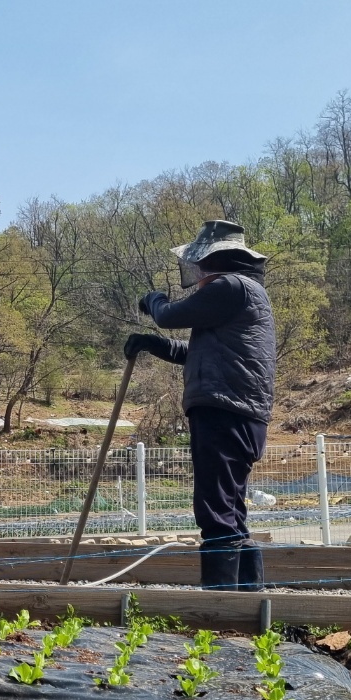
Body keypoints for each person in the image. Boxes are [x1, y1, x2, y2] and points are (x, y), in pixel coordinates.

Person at [123, 220, 276, 592]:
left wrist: (153, 300)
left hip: (224, 410)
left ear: (215, 260)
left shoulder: (231, 287)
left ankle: (220, 606)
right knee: (230, 508)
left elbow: (168, 316)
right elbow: (197, 352)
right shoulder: (243, 293)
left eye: (200, 262)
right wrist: (154, 344)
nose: (197, 270)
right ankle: (247, 599)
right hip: (239, 411)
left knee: (216, 509)